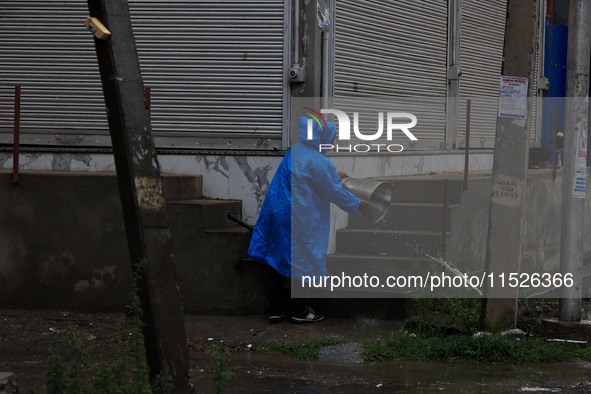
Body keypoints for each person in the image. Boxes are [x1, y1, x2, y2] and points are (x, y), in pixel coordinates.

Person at [248, 116, 365, 323]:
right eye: (332, 137)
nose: (334, 141)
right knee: (301, 259)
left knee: (274, 257)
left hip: (277, 211)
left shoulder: (296, 151)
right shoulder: (320, 162)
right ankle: (300, 310)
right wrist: (360, 205)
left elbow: (308, 176)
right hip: (298, 217)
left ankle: (274, 310)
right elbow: (335, 193)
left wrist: (335, 174)